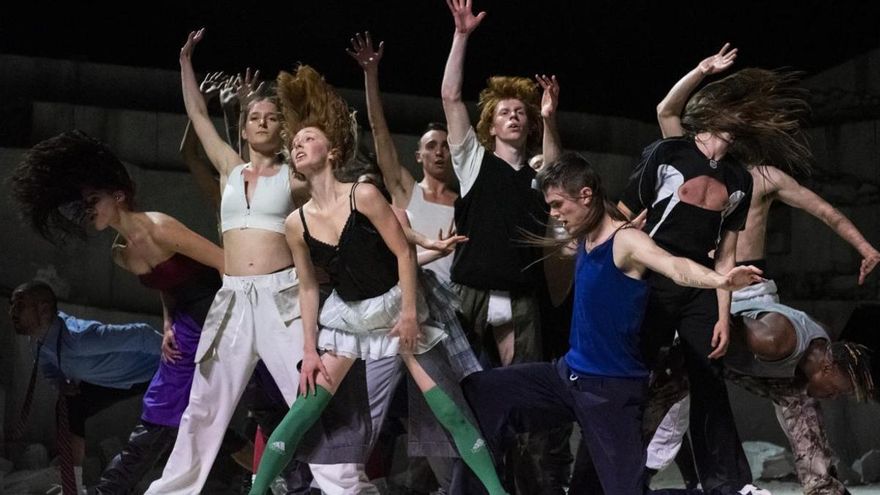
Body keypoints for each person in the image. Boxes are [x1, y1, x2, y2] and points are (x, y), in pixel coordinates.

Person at [248, 64, 508, 495]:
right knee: (302, 410)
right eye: (293, 142)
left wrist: (409, 314)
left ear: (331, 152)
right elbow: (310, 288)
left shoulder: (363, 194)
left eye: (308, 138)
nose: (298, 145)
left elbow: (403, 252)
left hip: (395, 306)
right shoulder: (296, 223)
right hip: (348, 316)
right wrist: (309, 350)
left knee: (451, 411)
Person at [650, 43, 880, 495]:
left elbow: (825, 212)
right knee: (672, 383)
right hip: (697, 282)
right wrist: (700, 71)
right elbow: (666, 110)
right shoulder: (693, 160)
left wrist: (865, 247)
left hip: (750, 288)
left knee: (795, 388)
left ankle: (822, 484)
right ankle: (630, 472)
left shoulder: (764, 177)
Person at [461, 152, 763, 495]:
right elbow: (563, 169)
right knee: (479, 392)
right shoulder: (586, 236)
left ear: (586, 195)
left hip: (610, 394)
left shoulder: (627, 241)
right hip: (567, 378)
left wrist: (720, 282)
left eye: (559, 205)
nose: (555, 215)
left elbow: (675, 266)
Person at [144, 28, 361, 494]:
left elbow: (333, 182)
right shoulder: (229, 169)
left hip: (280, 297)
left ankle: (346, 487)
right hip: (232, 300)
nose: (262, 123)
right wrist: (185, 63)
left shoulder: (294, 178)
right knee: (204, 403)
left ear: (281, 129)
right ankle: (174, 489)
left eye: (270, 118)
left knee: (309, 394)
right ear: (243, 129)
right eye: (255, 118)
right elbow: (198, 117)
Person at [441, 0, 561, 369]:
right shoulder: (474, 162)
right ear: (491, 126)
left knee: (520, 383)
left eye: (519, 112)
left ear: (529, 126)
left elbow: (556, 173)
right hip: (469, 290)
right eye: (504, 113)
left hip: (520, 293)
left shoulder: (537, 174)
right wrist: (461, 36)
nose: (512, 116)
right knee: (453, 377)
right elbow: (450, 97)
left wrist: (550, 118)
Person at [8, 281, 161, 494]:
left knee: (159, 430)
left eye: (20, 305)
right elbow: (47, 366)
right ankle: (73, 486)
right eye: (12, 304)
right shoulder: (37, 341)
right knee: (69, 406)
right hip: (106, 380)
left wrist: (180, 361)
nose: (12, 311)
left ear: (43, 310)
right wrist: (60, 383)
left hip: (148, 374)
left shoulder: (79, 337)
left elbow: (142, 334)